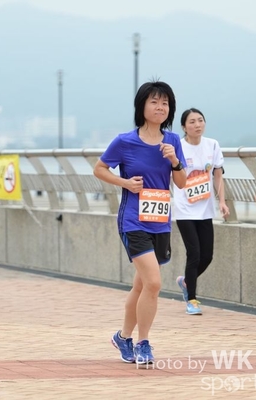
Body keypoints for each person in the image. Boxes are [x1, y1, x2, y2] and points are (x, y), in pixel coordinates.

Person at [94, 81, 187, 365]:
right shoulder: (125, 141)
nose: (160, 107)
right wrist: (124, 183)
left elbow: (182, 183)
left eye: (165, 103)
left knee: (142, 286)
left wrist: (174, 161)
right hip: (133, 220)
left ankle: (123, 337)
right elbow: (99, 169)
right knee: (154, 283)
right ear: (142, 106)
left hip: (160, 221)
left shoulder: (172, 141)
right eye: (154, 102)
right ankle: (143, 343)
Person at [173, 108, 229, 315]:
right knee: (194, 253)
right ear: (184, 127)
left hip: (205, 209)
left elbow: (218, 176)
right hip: (184, 208)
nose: (197, 125)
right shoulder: (178, 147)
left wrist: (222, 202)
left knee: (207, 255)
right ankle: (192, 300)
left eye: (200, 120)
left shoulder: (212, 145)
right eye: (192, 122)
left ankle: (186, 282)